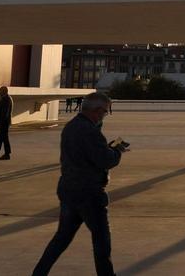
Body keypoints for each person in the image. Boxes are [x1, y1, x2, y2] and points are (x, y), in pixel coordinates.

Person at [32, 93, 126, 276]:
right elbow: (105, 160)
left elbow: (84, 154)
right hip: (89, 193)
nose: (104, 116)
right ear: (97, 111)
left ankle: (39, 272)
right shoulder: (90, 132)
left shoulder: (71, 126)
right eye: (105, 112)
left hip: (69, 189)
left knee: (61, 239)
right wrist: (116, 151)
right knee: (101, 243)